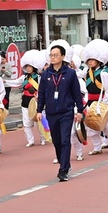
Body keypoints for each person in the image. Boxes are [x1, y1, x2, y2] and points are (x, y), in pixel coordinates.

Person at [36, 40, 84, 182]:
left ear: (63, 57)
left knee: (65, 140)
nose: (53, 57)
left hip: (66, 111)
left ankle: (63, 169)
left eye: (56, 55)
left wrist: (79, 110)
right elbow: (42, 93)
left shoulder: (70, 73)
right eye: (51, 55)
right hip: (51, 113)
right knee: (56, 141)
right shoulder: (46, 75)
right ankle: (65, 164)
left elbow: (76, 93)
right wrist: (39, 110)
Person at [4, 50, 44, 147]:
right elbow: (15, 83)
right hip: (25, 101)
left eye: (30, 66)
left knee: (39, 122)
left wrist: (39, 96)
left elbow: (43, 89)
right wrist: (4, 82)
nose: (28, 68)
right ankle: (30, 140)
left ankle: (43, 138)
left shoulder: (39, 78)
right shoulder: (24, 78)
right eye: (27, 66)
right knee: (26, 122)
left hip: (36, 101)